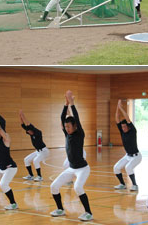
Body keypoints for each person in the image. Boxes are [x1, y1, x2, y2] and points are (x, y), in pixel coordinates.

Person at [50, 90, 93, 221]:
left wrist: (72, 104)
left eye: (69, 126)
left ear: (74, 126)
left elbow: (77, 119)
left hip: (82, 168)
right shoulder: (67, 134)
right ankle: (60, 209)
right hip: (71, 168)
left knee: (78, 187)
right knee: (54, 186)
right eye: (65, 127)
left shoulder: (79, 134)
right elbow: (62, 118)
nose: (67, 129)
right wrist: (65, 104)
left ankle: (88, 213)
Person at [113, 100, 141, 191]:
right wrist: (117, 107)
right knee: (116, 168)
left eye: (125, 127)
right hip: (127, 155)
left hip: (136, 156)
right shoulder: (122, 131)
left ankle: (135, 185)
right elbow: (117, 118)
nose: (123, 128)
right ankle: (122, 184)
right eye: (122, 127)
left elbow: (127, 118)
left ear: (128, 126)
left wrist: (121, 108)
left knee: (128, 167)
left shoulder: (133, 131)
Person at [19, 109, 49, 182]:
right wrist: (20, 116)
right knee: (26, 159)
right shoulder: (30, 133)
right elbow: (23, 125)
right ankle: (31, 175)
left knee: (35, 160)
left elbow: (28, 124)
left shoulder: (37, 132)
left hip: (44, 151)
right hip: (38, 151)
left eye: (29, 130)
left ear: (32, 129)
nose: (28, 132)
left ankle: (39, 176)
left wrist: (23, 115)